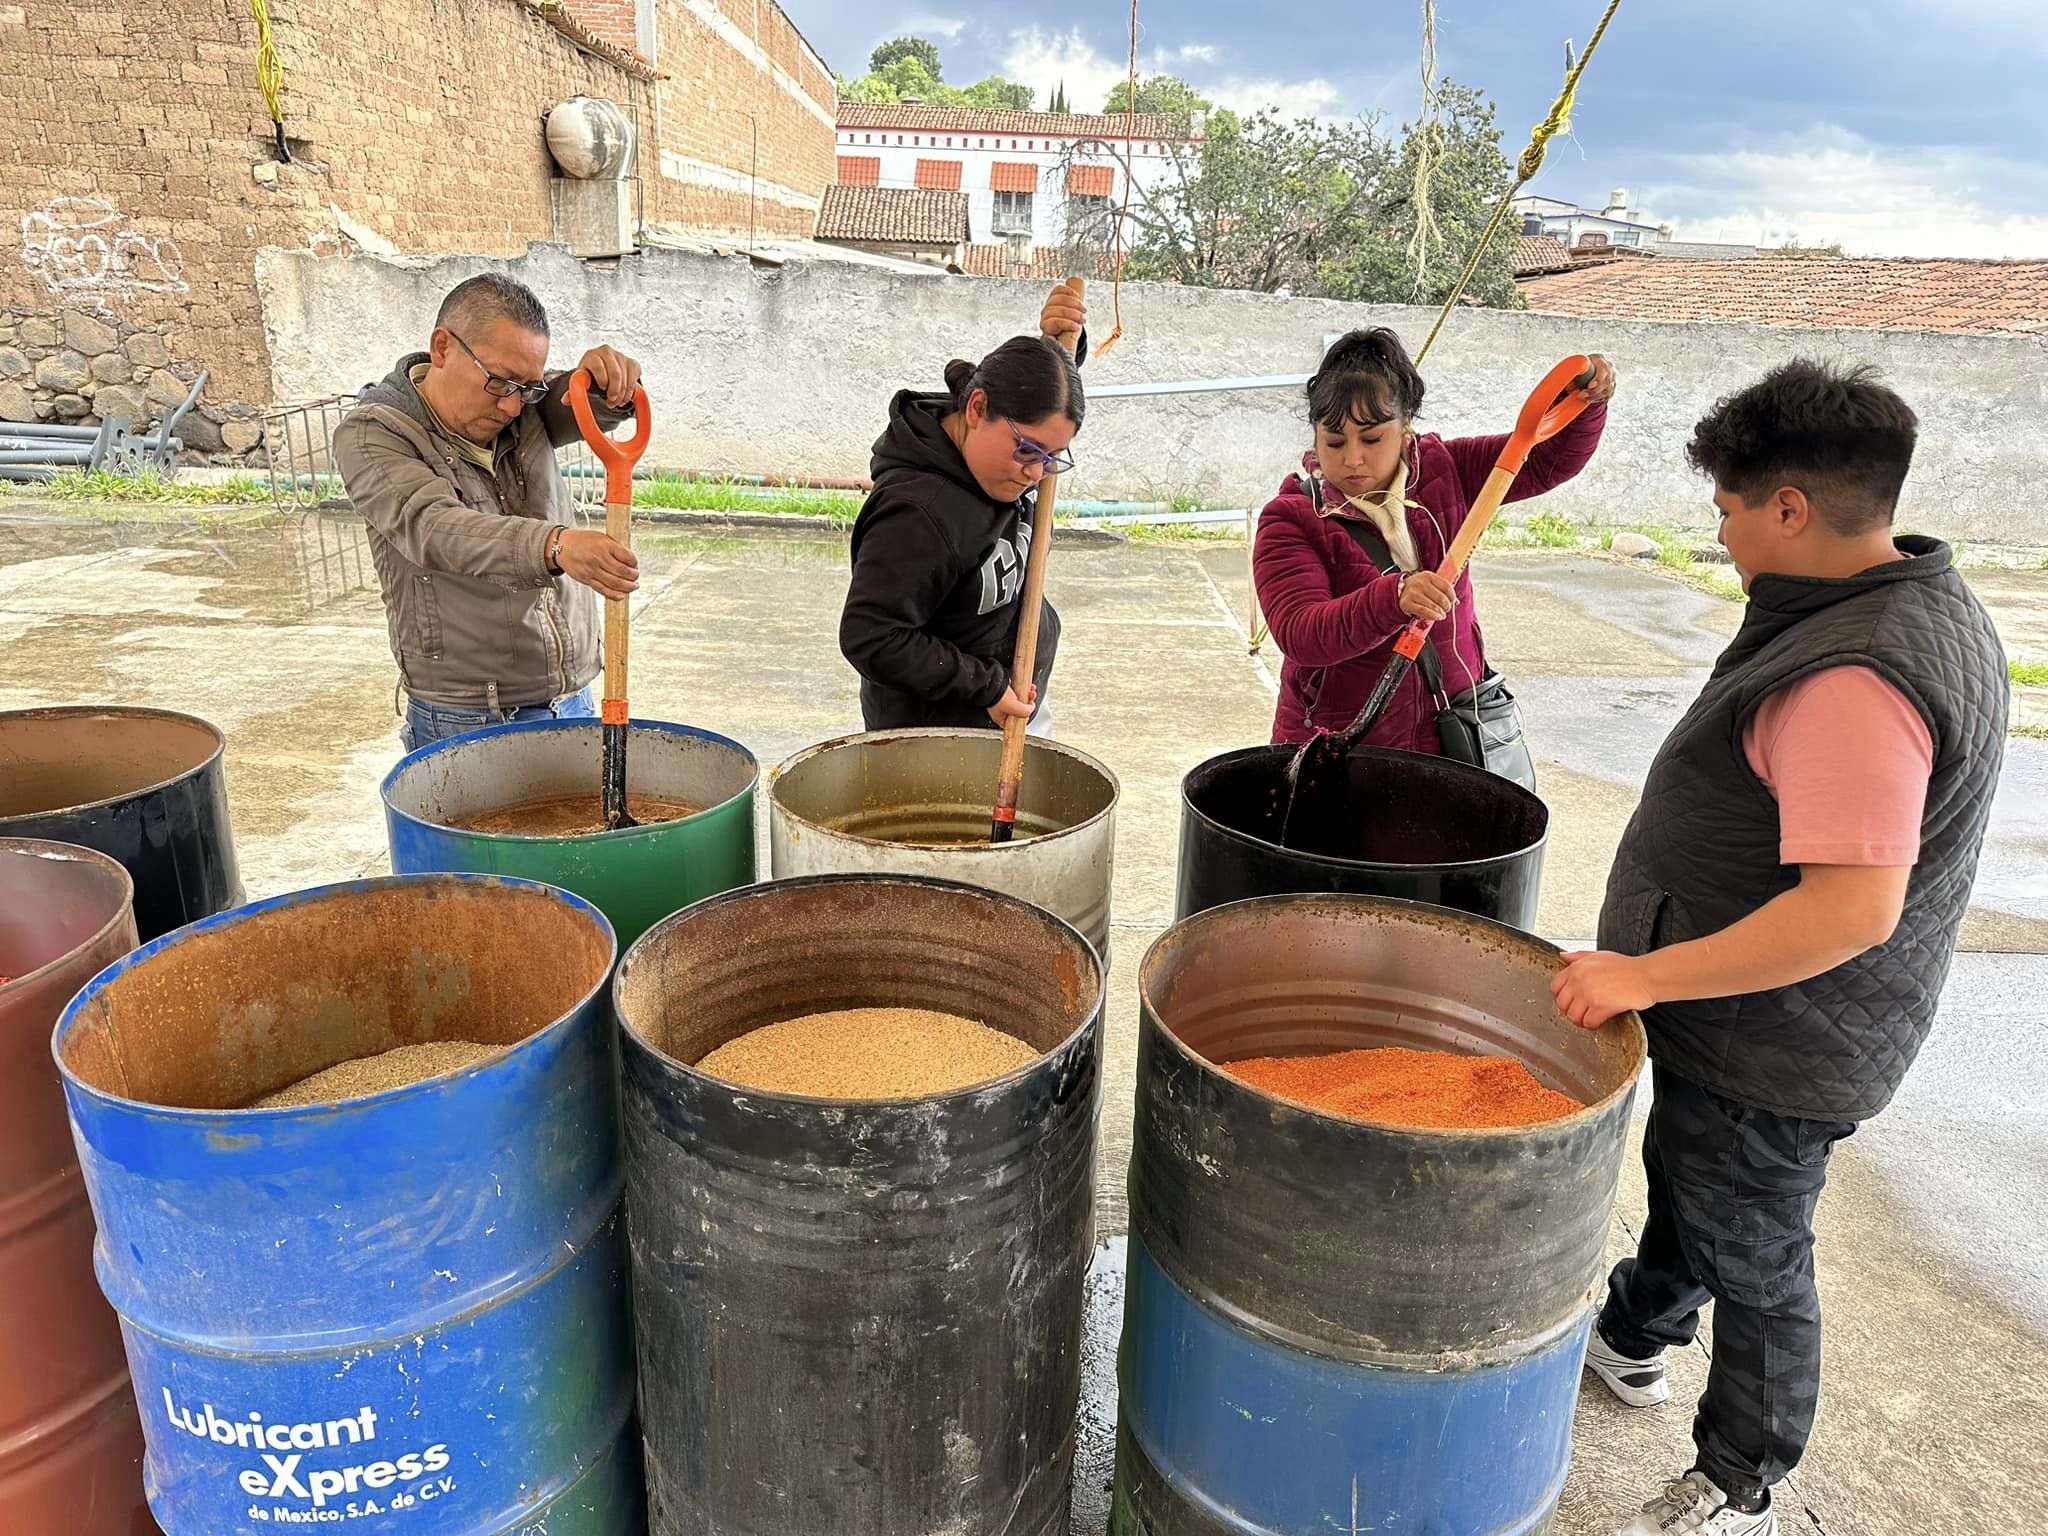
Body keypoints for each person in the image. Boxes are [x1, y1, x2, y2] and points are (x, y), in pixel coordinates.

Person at [1554, 361, 2007, 1536]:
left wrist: (1639, 975)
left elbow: (1846, 908)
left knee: (1753, 1249)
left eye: (1728, 505)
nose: (1719, 527)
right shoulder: (1904, 601)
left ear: (1791, 509)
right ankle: (1635, 1331)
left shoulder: (1853, 672)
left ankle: (1739, 1475)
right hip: (1756, 1027)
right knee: (1696, 1184)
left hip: (1780, 1038)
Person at [1252, 329, 1615, 752]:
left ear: (1405, 426)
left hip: (1451, 731)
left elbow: (1546, 462)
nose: (1352, 459)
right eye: (1334, 441)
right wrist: (1394, 598)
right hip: (1342, 749)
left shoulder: (1447, 468)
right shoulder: (1292, 517)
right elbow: (1301, 634)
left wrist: (1588, 404)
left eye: (1372, 439)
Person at [334, 273, 645, 750]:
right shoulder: (374, 434)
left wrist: (605, 386)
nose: (511, 405)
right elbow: (435, 528)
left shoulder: (524, 406)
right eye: (499, 381)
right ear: (442, 348)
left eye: (528, 387)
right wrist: (555, 546)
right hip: (468, 717)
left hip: (573, 698)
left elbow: (575, 403)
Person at [839, 285, 1087, 734]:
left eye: (1053, 457)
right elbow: (870, 636)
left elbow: (1037, 407)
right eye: (1029, 450)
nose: (1037, 473)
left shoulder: (1000, 456)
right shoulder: (919, 513)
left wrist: (1061, 353)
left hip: (1010, 699)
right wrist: (985, 687)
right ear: (976, 407)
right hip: (939, 739)